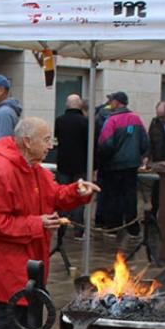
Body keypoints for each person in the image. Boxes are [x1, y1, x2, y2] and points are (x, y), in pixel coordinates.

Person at [0, 117, 97, 329]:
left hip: (30, 260)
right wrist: (36, 224)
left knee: (28, 320)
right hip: (9, 263)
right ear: (28, 142)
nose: (51, 145)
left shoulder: (33, 169)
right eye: (47, 139)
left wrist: (77, 191)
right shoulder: (0, 171)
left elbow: (55, 196)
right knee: (9, 319)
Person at [97, 91, 149, 237]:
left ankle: (113, 227)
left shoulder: (112, 120)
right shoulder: (137, 119)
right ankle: (133, 228)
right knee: (130, 196)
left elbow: (105, 144)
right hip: (132, 166)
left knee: (113, 196)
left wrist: (104, 159)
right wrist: (139, 156)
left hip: (114, 166)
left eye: (111, 101)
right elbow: (145, 143)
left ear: (117, 102)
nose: (109, 103)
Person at [53, 93, 91, 230]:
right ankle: (78, 228)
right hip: (81, 165)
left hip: (63, 163)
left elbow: (57, 139)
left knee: (62, 194)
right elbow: (90, 144)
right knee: (80, 196)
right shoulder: (85, 122)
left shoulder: (59, 120)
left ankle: (62, 226)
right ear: (79, 105)